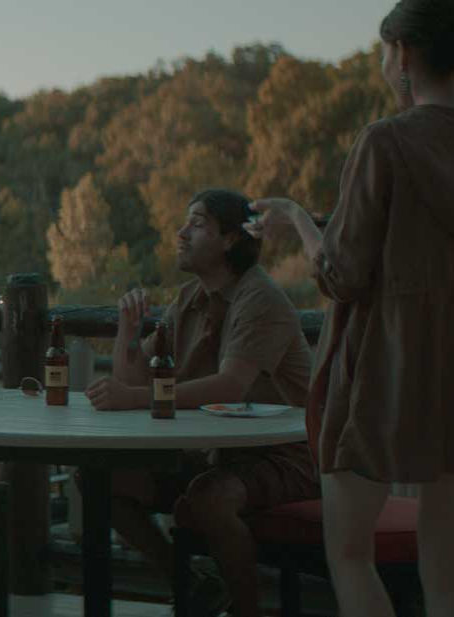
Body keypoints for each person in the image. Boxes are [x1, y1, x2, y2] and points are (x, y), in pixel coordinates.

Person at [245, 3, 454, 614]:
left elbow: (341, 273)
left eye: (386, 52)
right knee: (447, 575)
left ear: (405, 55)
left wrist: (296, 221)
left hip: (386, 373)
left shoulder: (386, 140)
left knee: (350, 554)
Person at [85, 188, 318, 617]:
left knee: (208, 496)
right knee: (101, 478)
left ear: (229, 239)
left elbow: (230, 385)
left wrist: (131, 398)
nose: (180, 233)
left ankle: (247, 610)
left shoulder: (260, 298)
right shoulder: (189, 299)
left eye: (196, 223)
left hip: (288, 454)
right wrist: (127, 332)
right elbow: (132, 379)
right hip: (217, 451)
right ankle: (190, 587)